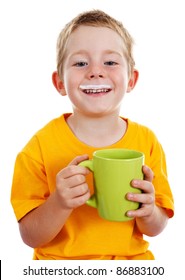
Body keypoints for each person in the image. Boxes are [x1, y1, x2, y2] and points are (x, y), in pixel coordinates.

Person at [11, 9, 174, 260]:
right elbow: (29, 236)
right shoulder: (39, 147)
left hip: (131, 266)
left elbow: (156, 229)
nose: (95, 72)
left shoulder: (148, 142)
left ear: (131, 79)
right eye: (80, 63)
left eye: (110, 62)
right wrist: (60, 203)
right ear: (60, 83)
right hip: (60, 268)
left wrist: (150, 211)